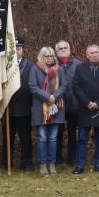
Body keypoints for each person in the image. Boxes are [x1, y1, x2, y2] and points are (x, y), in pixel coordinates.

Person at [71, 44, 99, 174]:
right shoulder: (80, 68)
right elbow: (76, 87)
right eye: (92, 53)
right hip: (85, 109)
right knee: (82, 138)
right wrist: (87, 102)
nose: (94, 55)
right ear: (87, 55)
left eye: (97, 52)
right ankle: (79, 165)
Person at [30, 46, 68, 175]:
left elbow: (64, 85)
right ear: (42, 56)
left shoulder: (59, 69)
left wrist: (54, 97)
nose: (50, 58)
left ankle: (52, 164)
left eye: (52, 56)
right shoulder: (35, 69)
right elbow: (33, 87)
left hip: (56, 108)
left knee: (52, 138)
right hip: (40, 109)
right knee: (42, 137)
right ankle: (42, 164)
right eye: (47, 56)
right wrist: (48, 97)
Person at [2, 37, 34, 171]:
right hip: (8, 108)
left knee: (25, 139)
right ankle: (6, 163)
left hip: (24, 108)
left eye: (19, 49)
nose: (16, 51)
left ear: (23, 50)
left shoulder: (30, 65)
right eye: (13, 49)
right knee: (7, 138)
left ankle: (26, 163)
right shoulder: (3, 66)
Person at [54, 40, 80, 166]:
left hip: (74, 105)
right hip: (57, 105)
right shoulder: (52, 65)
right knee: (57, 133)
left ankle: (72, 158)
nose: (63, 50)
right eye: (60, 48)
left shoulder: (78, 64)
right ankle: (57, 158)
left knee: (72, 133)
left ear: (69, 49)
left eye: (65, 48)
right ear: (56, 51)